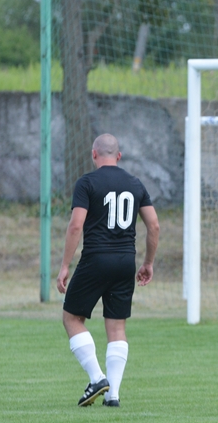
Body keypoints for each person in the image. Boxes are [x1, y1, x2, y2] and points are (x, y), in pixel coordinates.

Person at [56, 134, 160, 408]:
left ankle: (97, 377)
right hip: (126, 261)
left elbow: (76, 225)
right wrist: (148, 262)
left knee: (72, 317)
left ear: (93, 154)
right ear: (119, 156)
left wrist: (65, 265)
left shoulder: (87, 183)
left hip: (96, 259)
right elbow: (154, 226)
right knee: (116, 326)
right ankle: (113, 395)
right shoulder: (135, 184)